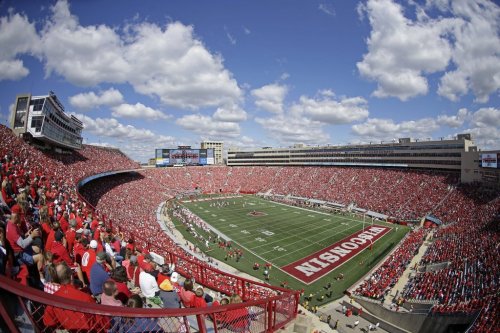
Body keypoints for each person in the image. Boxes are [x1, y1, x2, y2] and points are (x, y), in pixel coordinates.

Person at [43, 262, 108, 331]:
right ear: (71, 276)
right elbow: (104, 323)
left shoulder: (54, 299)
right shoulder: (86, 298)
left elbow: (48, 322)